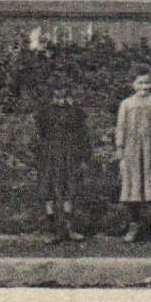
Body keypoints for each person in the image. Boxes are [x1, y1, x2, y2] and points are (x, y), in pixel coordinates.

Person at [115, 65, 151, 243]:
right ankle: (134, 226)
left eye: (147, 83)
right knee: (133, 190)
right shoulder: (126, 104)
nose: (144, 87)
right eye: (140, 83)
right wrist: (120, 151)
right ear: (133, 84)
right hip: (132, 152)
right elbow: (120, 128)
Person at [36, 76, 91, 243]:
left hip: (70, 156)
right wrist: (40, 156)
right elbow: (39, 135)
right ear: (52, 95)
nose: (60, 100)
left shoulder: (76, 113)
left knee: (70, 191)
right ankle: (51, 229)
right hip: (50, 156)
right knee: (49, 193)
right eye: (56, 96)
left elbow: (83, 136)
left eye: (64, 96)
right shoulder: (44, 112)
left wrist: (83, 157)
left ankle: (69, 228)